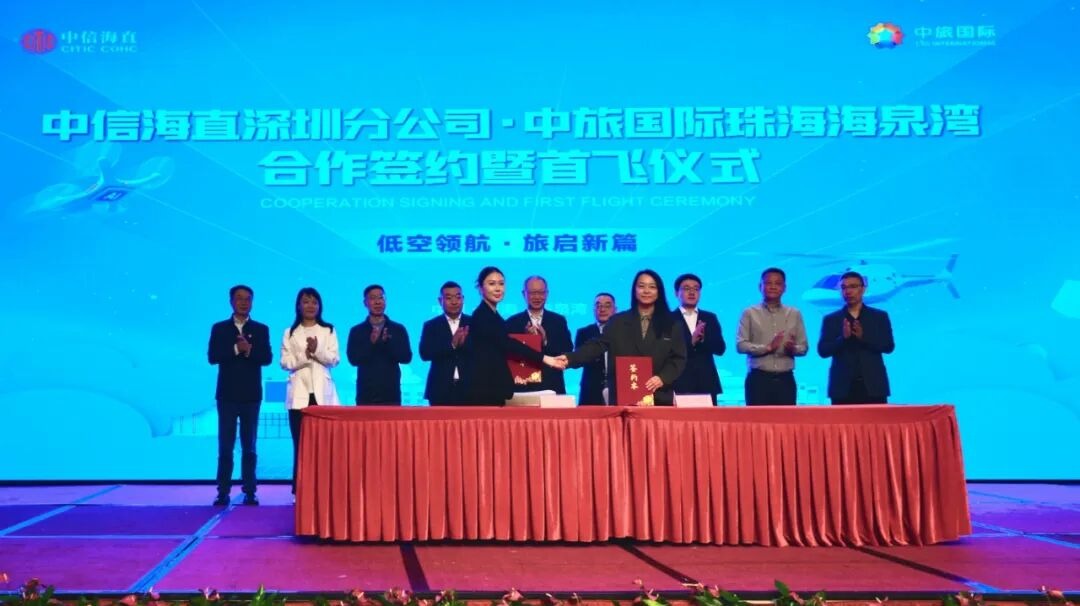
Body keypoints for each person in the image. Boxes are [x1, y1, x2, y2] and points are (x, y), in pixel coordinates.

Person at [560, 270, 687, 406]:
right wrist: (569, 359)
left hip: (659, 395)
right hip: (624, 396)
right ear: (634, 290)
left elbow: (678, 358)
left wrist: (662, 378)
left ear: (659, 291)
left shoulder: (672, 324)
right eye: (641, 286)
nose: (646, 291)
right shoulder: (618, 321)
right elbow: (597, 345)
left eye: (652, 287)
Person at [207, 285, 272, 507]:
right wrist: (236, 349)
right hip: (227, 395)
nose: (244, 302)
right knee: (225, 446)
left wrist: (249, 350)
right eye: (239, 298)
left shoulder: (261, 329)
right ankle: (223, 491)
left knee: (249, 446)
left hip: (251, 396)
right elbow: (213, 356)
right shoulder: (220, 328)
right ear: (231, 302)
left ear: (252, 302)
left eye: (248, 299)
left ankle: (250, 490)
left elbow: (266, 358)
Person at [465, 266, 564, 406]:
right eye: (492, 284)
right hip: (485, 389)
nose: (498, 289)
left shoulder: (493, 315)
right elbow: (507, 344)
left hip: (493, 388)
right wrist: (546, 358)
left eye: (501, 284)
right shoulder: (482, 316)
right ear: (481, 288)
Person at [280, 287, 340, 494]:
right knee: (300, 445)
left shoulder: (328, 330)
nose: (310, 306)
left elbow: (334, 359)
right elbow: (285, 362)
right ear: (298, 306)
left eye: (314, 302)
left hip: (323, 396)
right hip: (299, 396)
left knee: (325, 446)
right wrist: (306, 355)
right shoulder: (290, 332)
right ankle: (299, 490)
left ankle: (325, 489)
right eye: (306, 301)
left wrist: (317, 351)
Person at [818, 271, 895, 404]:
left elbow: (888, 346)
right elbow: (823, 351)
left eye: (853, 286)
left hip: (874, 387)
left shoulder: (879, 317)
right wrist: (843, 339)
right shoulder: (831, 319)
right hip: (842, 388)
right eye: (844, 288)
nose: (848, 291)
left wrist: (863, 337)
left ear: (863, 289)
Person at [736, 268, 808, 405]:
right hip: (758, 380)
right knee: (757, 419)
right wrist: (767, 348)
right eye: (768, 283)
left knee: (786, 419)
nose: (773, 287)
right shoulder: (749, 313)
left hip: (786, 380)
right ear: (760, 286)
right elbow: (741, 345)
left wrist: (793, 349)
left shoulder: (794, 313)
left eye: (778, 283)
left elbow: (803, 348)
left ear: (784, 288)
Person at [504, 275, 573, 394]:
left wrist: (545, 341)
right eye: (532, 293)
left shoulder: (558, 321)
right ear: (524, 294)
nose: (537, 297)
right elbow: (508, 354)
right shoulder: (511, 323)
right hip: (522, 387)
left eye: (541, 293)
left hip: (552, 386)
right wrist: (527, 340)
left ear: (547, 294)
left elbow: (568, 350)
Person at [346, 284, 413, 405]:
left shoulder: (398, 329)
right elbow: (353, 360)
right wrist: (371, 343)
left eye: (381, 297)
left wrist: (387, 343)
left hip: (391, 392)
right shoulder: (357, 331)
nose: (377, 302)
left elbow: (406, 357)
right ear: (365, 303)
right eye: (372, 298)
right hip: (366, 393)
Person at [670, 273, 726, 404]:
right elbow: (666, 352)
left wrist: (704, 340)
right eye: (686, 288)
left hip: (706, 382)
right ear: (676, 293)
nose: (692, 292)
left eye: (696, 289)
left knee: (708, 418)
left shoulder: (710, 317)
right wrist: (691, 342)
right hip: (679, 382)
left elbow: (720, 349)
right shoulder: (669, 319)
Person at [419, 281, 471, 406]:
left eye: (458, 297)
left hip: (470, 388)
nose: (454, 302)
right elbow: (424, 353)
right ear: (440, 301)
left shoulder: (474, 323)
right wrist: (452, 345)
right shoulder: (431, 325)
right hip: (440, 389)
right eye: (448, 298)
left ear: (463, 299)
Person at [574, 292, 616, 405]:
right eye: (598, 306)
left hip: (617, 387)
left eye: (607, 306)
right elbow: (578, 361)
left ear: (615, 310)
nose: (602, 309)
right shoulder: (583, 332)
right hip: (591, 390)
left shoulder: (622, 332)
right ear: (593, 310)